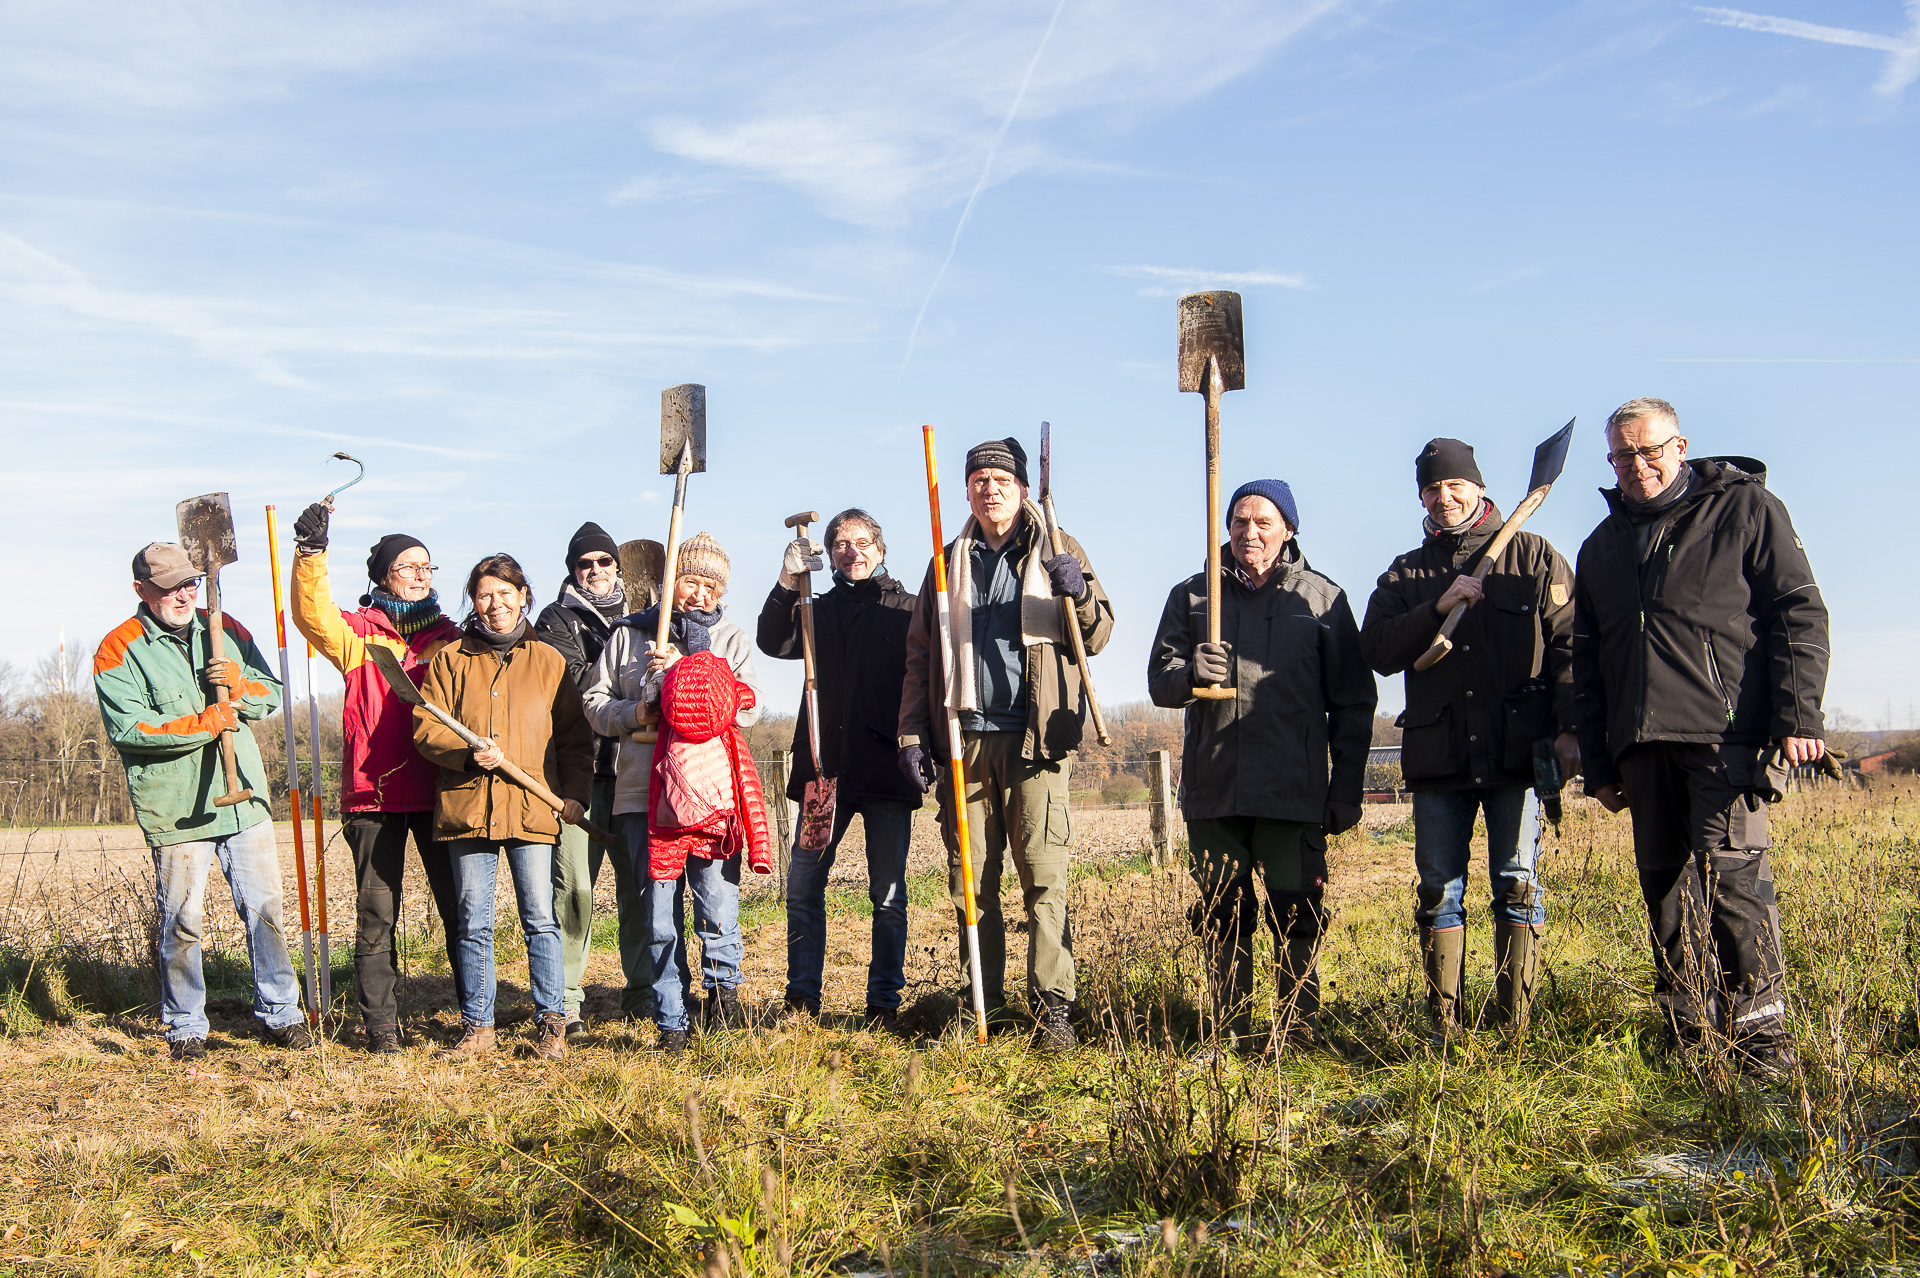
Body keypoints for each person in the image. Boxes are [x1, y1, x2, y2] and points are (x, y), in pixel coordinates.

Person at [1572, 398, 1828, 1079]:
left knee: (1735, 883)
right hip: (1640, 744)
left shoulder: (1745, 510)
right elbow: (1586, 667)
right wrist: (1598, 762)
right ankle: (1688, 1032)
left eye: (1650, 450)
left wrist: (1798, 718)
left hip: (1726, 737)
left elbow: (1798, 609)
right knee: (1665, 890)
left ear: (1680, 446)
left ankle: (1762, 1042)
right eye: (1623, 456)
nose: (1638, 466)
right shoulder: (1600, 547)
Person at [897, 437, 1113, 1052]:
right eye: (978, 480)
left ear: (1022, 489)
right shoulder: (946, 562)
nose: (989, 489)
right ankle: (981, 1003)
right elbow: (920, 657)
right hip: (964, 743)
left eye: (1001, 480)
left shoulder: (1058, 551)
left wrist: (1082, 592)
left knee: (1044, 877)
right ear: (966, 490)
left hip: (1035, 742)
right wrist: (913, 733)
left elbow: (1097, 635)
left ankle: (1054, 1010)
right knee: (973, 882)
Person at [1360, 438, 1579, 1036]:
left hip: (1518, 754)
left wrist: (1569, 730)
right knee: (1438, 891)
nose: (1444, 496)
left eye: (1455, 484)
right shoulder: (1406, 572)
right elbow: (1376, 649)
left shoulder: (1532, 556)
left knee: (1517, 881)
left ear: (1479, 487)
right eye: (1432, 487)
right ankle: (1446, 1028)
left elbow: (1570, 649)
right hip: (1440, 758)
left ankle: (1514, 1025)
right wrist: (1437, 607)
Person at [1148, 481, 1376, 1048]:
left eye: (1264, 522)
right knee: (1223, 913)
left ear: (1288, 530)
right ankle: (1233, 1029)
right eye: (1240, 521)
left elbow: (1353, 701)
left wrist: (1345, 786)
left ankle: (1298, 1027)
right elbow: (1159, 680)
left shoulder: (1321, 600)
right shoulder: (1193, 597)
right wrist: (1189, 674)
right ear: (1224, 528)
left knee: (1295, 911)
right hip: (1214, 789)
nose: (1250, 532)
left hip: (1290, 791)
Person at [94, 542, 309, 1061]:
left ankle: (282, 1013)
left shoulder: (225, 627)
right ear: (141, 590)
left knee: (266, 910)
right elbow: (130, 729)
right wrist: (204, 724)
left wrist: (237, 684)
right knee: (182, 920)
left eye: (190, 581)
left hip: (244, 801)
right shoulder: (118, 649)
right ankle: (186, 1025)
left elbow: (271, 693)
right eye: (169, 586)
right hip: (178, 807)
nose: (184, 593)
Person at [289, 504, 465, 1053]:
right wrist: (310, 554)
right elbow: (311, 611)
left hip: (443, 792)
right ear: (383, 575)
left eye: (428, 567)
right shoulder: (357, 635)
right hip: (375, 796)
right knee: (375, 914)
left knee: (461, 908)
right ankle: (381, 1026)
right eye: (409, 566)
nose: (421, 574)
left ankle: (476, 1016)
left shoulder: (452, 637)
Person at [581, 532, 762, 1055]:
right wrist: (639, 709)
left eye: (710, 585)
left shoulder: (729, 638)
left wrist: (692, 684)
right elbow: (594, 703)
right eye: (690, 581)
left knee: (718, 903)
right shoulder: (629, 637)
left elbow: (748, 708)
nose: (699, 594)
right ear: (669, 583)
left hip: (711, 797)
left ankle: (724, 1002)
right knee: (659, 914)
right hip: (644, 794)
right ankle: (671, 1018)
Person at [412, 553, 593, 1061]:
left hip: (531, 808)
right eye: (484, 595)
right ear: (473, 601)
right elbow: (427, 730)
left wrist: (576, 795)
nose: (495, 604)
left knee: (540, 916)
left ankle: (552, 1023)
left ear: (523, 596)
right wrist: (467, 753)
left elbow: (575, 741)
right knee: (473, 921)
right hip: (467, 810)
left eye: (505, 593)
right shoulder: (449, 661)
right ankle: (477, 1027)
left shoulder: (549, 662)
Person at [756, 509, 922, 1029]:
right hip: (824, 775)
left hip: (887, 773)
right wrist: (786, 582)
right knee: (803, 885)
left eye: (861, 541)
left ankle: (882, 1006)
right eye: (840, 544)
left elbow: (932, 682)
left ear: (881, 548)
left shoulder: (908, 610)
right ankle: (802, 1000)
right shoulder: (813, 611)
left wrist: (925, 749)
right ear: (827, 556)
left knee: (888, 895)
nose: (852, 551)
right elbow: (769, 640)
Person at [533, 521, 650, 1037]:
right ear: (573, 571)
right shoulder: (555, 619)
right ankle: (566, 1001)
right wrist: (634, 661)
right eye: (586, 564)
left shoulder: (648, 616)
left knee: (641, 888)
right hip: (577, 773)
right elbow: (579, 684)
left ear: (618, 567)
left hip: (634, 773)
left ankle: (644, 992)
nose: (596, 570)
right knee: (574, 889)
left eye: (604, 562)